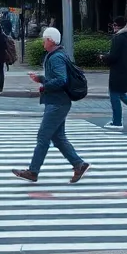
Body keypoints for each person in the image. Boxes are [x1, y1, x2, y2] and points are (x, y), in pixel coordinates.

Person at [11, 27, 89, 184]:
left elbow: (61, 80)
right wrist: (40, 78)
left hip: (57, 103)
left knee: (43, 137)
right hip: (58, 102)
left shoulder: (56, 57)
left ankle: (33, 171)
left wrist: (44, 86)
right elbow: (58, 77)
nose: (43, 41)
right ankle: (78, 164)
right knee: (58, 137)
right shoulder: (57, 54)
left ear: (51, 40)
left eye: (45, 39)